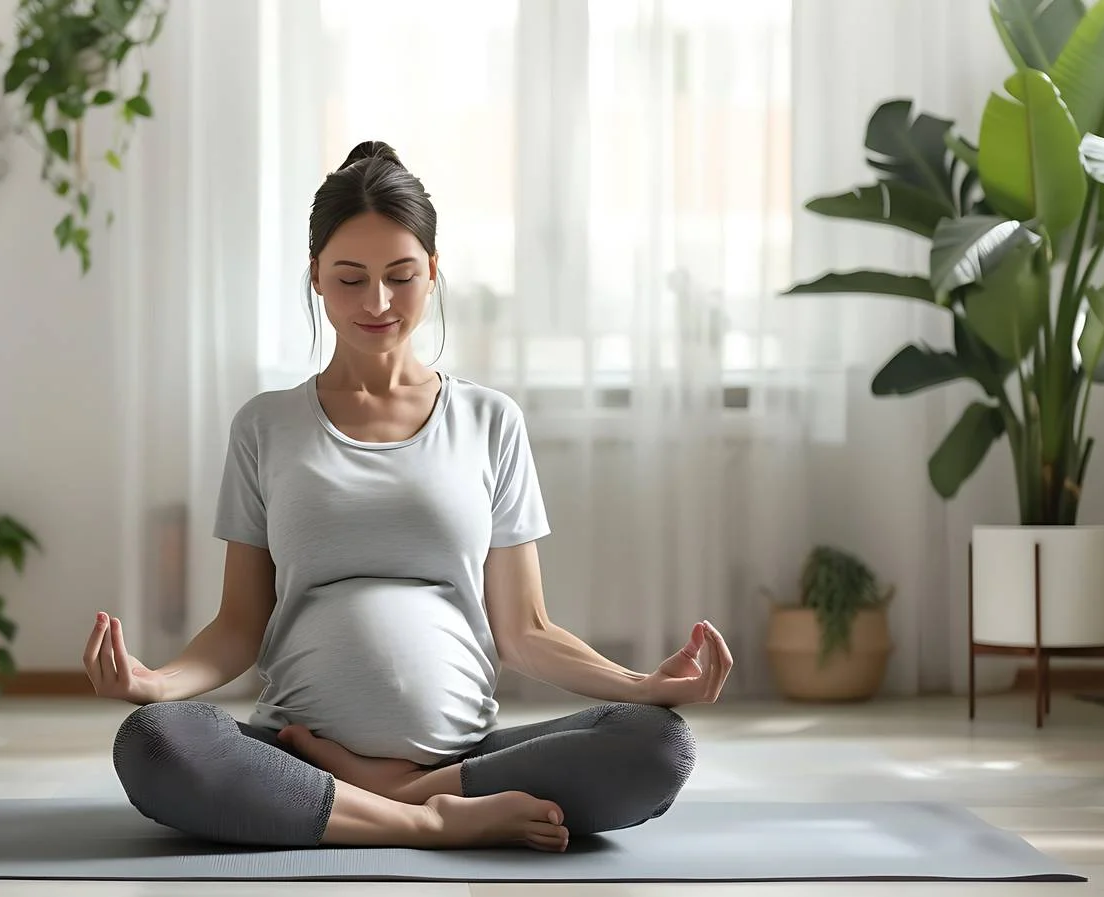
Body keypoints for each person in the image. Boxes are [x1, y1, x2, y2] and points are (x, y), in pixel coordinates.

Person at [82, 140, 733, 853]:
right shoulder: (266, 425)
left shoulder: (490, 421)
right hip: (294, 750)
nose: (378, 302)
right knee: (155, 740)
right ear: (316, 279)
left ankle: (375, 797)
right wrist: (157, 681)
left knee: (655, 745)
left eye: (400, 275)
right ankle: (427, 819)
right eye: (351, 278)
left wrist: (640, 684)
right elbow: (239, 625)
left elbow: (525, 629)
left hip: (468, 758)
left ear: (432, 271)